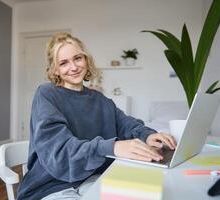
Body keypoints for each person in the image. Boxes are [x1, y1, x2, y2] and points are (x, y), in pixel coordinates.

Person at [17, 32, 177, 200]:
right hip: (51, 185)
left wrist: (148, 135)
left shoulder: (100, 99)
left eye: (78, 58)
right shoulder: (46, 94)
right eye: (63, 63)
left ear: (86, 59)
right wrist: (113, 147)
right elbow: (60, 150)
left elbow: (126, 124)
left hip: (90, 178)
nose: (73, 67)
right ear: (55, 69)